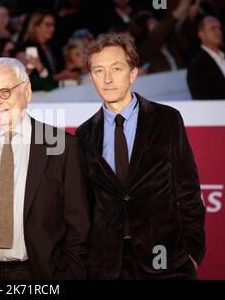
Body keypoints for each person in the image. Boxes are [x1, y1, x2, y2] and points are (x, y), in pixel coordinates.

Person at [0, 57, 89, 280]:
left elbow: (79, 225)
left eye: (4, 91)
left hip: (43, 275)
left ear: (27, 91)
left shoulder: (63, 147)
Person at [75, 32, 206, 279]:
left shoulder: (167, 120)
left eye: (116, 68)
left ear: (133, 73)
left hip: (166, 262)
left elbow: (188, 191)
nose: (107, 79)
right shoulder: (84, 135)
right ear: (91, 76)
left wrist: (192, 253)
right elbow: (84, 207)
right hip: (108, 267)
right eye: (98, 71)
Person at [187, 16, 225, 99]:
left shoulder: (222, 56)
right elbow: (202, 101)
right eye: (213, 29)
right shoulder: (197, 65)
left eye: (219, 28)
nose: (218, 32)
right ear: (201, 34)